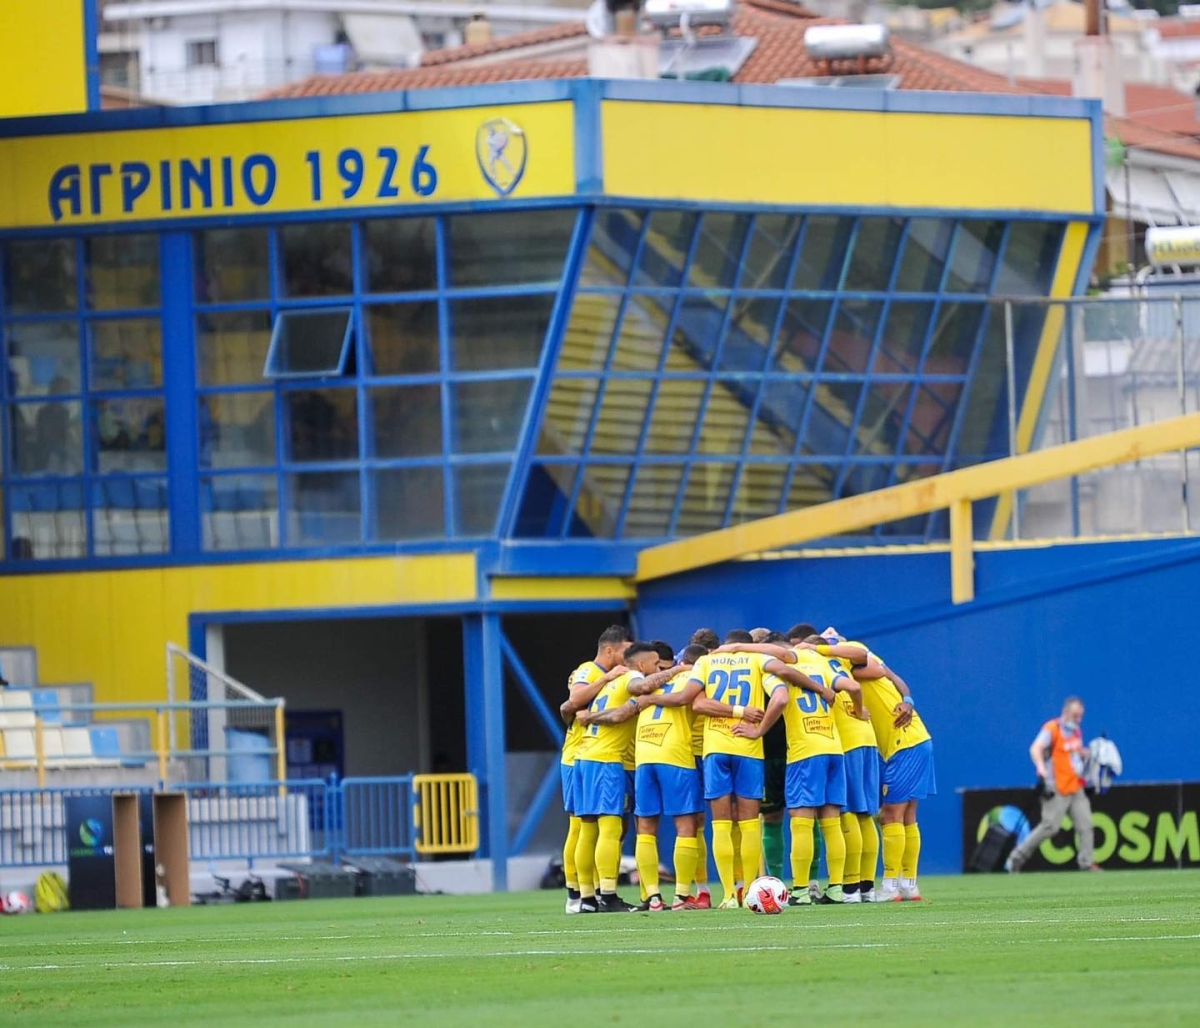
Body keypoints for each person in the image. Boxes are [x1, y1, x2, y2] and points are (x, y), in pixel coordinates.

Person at [692, 631, 819, 909]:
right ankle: (749, 890)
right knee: (750, 825)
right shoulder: (758, 661)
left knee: (721, 824)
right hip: (748, 750)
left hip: (715, 749)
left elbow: (697, 703)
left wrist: (736, 711)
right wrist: (759, 729)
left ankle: (727, 895)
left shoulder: (706, 662)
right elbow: (782, 697)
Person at [581, 644, 708, 911]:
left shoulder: (648, 685)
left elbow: (621, 714)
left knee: (645, 829)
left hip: (644, 757)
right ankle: (682, 897)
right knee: (686, 826)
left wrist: (588, 717)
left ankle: (652, 897)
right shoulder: (692, 676)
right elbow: (691, 700)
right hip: (675, 756)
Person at [557, 625, 632, 913]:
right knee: (581, 826)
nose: (627, 658)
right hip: (579, 754)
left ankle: (589, 894)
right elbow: (573, 702)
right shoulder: (590, 670)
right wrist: (608, 677)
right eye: (625, 650)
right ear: (610, 650)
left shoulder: (607, 676)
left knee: (593, 826)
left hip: (587, 754)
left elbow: (568, 710)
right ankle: (577, 894)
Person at [1005, 697, 1098, 873]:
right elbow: (1035, 748)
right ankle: (1015, 858)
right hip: (1056, 787)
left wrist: (1087, 754)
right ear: (1065, 712)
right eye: (1075, 715)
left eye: (1080, 716)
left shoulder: (1076, 731)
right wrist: (1040, 767)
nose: (1078, 720)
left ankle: (1086, 863)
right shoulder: (1052, 729)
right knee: (1050, 827)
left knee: (1086, 825)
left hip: (1075, 786)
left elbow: (1073, 755)